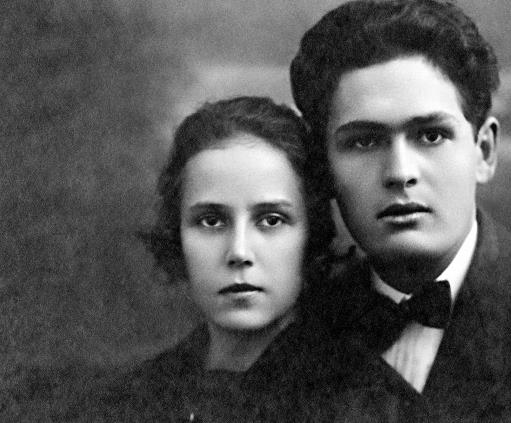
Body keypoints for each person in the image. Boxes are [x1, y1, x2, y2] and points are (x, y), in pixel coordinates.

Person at [290, 1, 511, 421]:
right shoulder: (296, 324)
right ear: (323, 168)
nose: (400, 173)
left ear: (484, 151)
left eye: (431, 136)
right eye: (364, 142)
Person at [63, 96, 338, 422]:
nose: (239, 252)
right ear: (177, 234)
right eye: (211, 221)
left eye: (271, 220)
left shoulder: (357, 398)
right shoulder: (124, 404)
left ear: (311, 232)